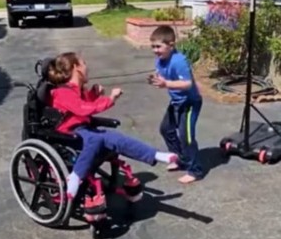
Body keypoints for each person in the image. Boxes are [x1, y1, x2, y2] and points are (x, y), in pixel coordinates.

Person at [46, 52, 178, 205]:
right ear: (77, 68)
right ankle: (75, 177)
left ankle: (155, 155)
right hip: (69, 135)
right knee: (96, 138)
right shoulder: (62, 92)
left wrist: (94, 94)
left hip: (84, 130)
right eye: (84, 63)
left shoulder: (76, 90)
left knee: (116, 138)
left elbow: (83, 103)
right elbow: (82, 109)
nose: (87, 67)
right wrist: (110, 100)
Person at [149, 26, 204, 184]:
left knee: (186, 137)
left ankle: (195, 170)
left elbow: (187, 84)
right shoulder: (160, 60)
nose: (155, 50)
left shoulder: (179, 61)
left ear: (171, 45)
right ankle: (180, 158)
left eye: (159, 46)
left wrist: (166, 83)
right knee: (166, 129)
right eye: (153, 46)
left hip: (190, 102)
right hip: (176, 101)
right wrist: (156, 78)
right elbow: (161, 74)